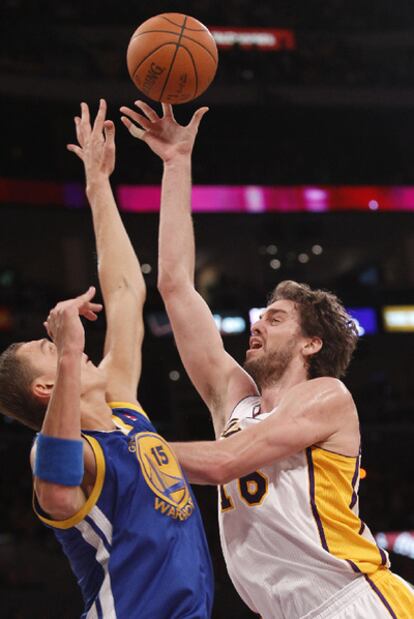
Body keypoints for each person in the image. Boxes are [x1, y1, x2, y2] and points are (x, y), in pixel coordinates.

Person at [120, 100, 414, 619]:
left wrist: (130, 445)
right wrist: (174, 163)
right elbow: (175, 285)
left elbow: (227, 461)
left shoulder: (326, 398)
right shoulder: (234, 401)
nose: (256, 324)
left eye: (275, 319)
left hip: (354, 601)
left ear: (311, 344)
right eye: (260, 316)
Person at [0, 100, 213, 619]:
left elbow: (123, 291)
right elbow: (54, 490)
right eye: (49, 349)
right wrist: (70, 353)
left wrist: (97, 183)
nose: (69, 344)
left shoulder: (122, 407)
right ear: (45, 389)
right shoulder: (68, 456)